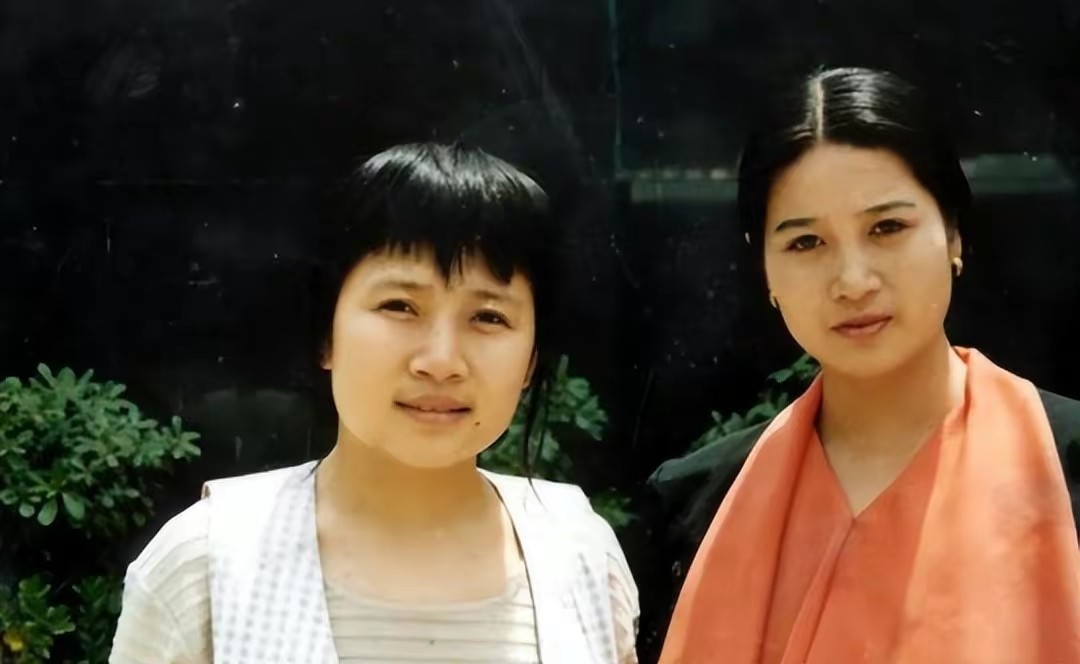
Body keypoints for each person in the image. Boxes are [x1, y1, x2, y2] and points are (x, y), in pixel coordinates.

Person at [110, 142, 639, 663]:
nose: (441, 360)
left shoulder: (584, 561)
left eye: (488, 317)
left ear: (531, 361)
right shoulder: (203, 567)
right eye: (399, 305)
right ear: (326, 335)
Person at [646, 68, 1080, 664]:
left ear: (954, 234)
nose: (853, 281)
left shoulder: (1068, 463)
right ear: (764, 270)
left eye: (887, 227)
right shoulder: (694, 503)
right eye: (806, 242)